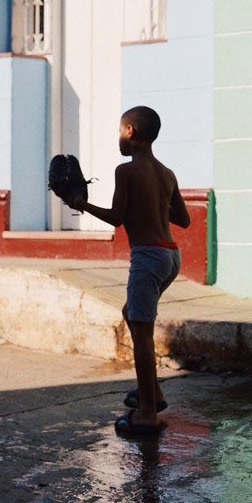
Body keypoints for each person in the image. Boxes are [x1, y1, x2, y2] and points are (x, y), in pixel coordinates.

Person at [71, 106, 190, 435]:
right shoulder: (167, 173)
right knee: (132, 314)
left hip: (148, 258)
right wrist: (154, 205)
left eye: (120, 130)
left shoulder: (125, 172)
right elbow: (183, 219)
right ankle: (152, 392)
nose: (119, 138)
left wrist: (82, 205)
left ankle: (147, 414)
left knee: (142, 336)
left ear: (131, 133)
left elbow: (116, 218)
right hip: (170, 257)